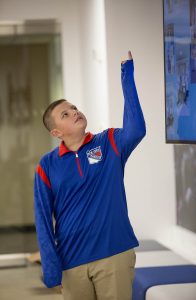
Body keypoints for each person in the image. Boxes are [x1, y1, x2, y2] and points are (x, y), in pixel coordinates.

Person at [34, 50, 146, 300]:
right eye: (65, 114)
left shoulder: (109, 142)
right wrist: (52, 269)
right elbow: (42, 219)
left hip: (114, 254)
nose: (75, 112)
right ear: (56, 133)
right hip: (72, 263)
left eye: (74, 108)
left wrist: (127, 74)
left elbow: (136, 129)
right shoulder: (47, 165)